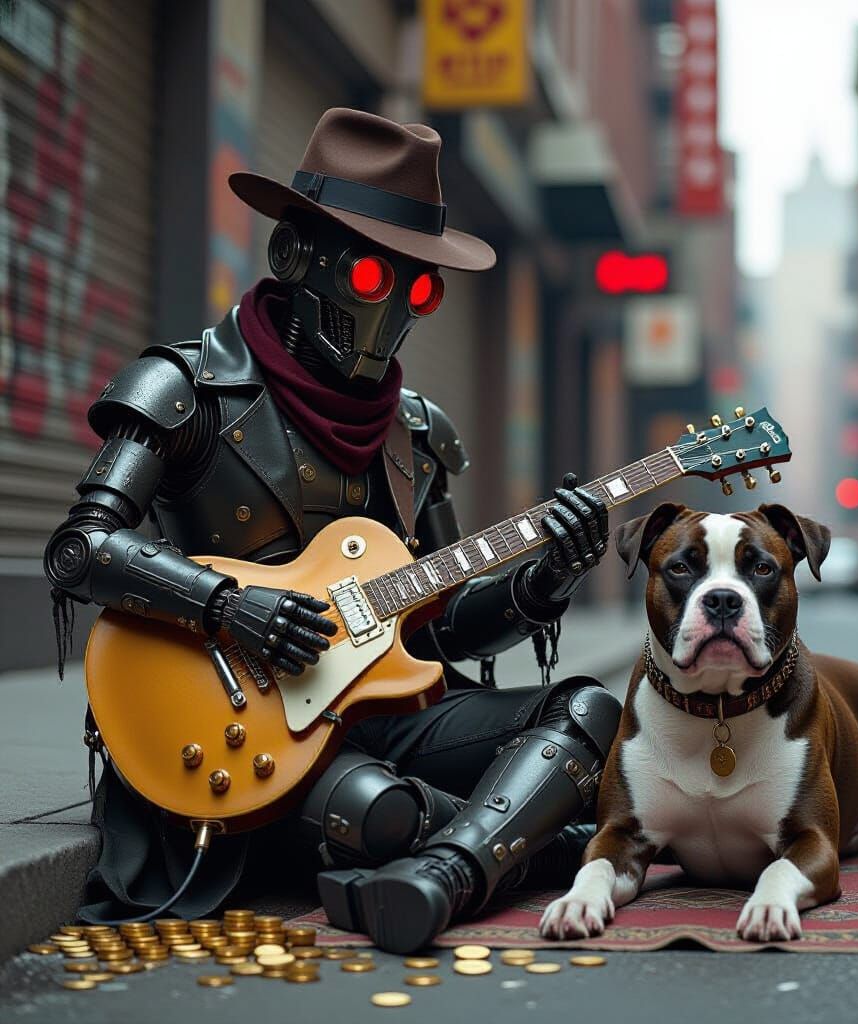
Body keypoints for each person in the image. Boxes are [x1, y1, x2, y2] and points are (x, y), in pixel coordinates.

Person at [42, 109, 620, 953]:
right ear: (296, 257)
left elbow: (446, 619)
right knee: (377, 810)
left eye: (418, 286)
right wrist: (226, 604)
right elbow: (79, 548)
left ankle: (447, 872)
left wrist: (545, 581)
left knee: (591, 711)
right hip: (233, 725)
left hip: (381, 708)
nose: (395, 309)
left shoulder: (418, 434)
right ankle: (523, 839)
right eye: (375, 279)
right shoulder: (187, 389)